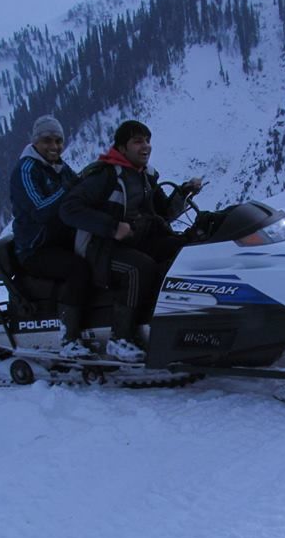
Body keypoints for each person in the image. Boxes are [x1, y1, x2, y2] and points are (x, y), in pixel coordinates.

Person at [60, 120, 202, 362]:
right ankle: (120, 339)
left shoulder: (144, 176)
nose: (145, 146)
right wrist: (112, 227)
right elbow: (69, 209)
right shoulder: (104, 175)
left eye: (147, 140)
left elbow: (164, 212)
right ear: (122, 148)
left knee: (181, 251)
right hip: (101, 249)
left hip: (135, 242)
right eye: (138, 141)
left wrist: (184, 192)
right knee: (139, 268)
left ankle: (170, 321)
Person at [10, 115, 94, 359]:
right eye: (48, 140)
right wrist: (69, 187)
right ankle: (69, 339)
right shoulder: (26, 170)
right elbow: (41, 209)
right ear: (36, 141)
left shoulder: (59, 167)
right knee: (77, 269)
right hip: (35, 249)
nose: (54, 146)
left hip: (59, 241)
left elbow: (77, 190)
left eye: (59, 141)